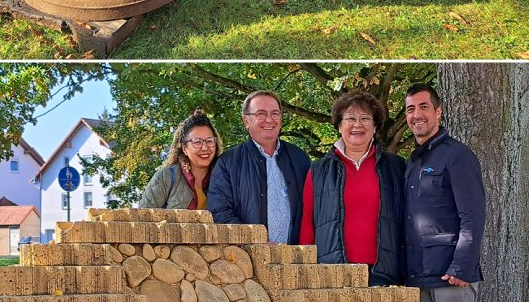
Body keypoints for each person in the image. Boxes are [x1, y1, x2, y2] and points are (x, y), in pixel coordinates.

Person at [403, 83, 485, 302]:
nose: (417, 114)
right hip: (419, 276)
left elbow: (473, 215)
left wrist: (461, 267)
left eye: (424, 107)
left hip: (450, 277)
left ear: (438, 112)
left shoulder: (457, 156)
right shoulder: (412, 163)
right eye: (410, 109)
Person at [299, 91, 405, 285]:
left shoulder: (396, 167)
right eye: (350, 118)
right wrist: (306, 271)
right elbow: (307, 223)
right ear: (340, 126)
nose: (358, 124)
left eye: (365, 118)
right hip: (332, 274)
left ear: (375, 127)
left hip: (383, 274)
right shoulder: (318, 170)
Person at [207, 91, 310, 243]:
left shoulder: (299, 159)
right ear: (246, 121)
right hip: (248, 258)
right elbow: (219, 212)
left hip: (295, 258)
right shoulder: (228, 163)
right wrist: (255, 240)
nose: (269, 120)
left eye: (275, 113)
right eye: (261, 114)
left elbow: (314, 209)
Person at [140, 110, 223, 210]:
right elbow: (143, 217)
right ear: (184, 148)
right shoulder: (165, 177)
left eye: (209, 141)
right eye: (197, 142)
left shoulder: (224, 177)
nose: (205, 148)